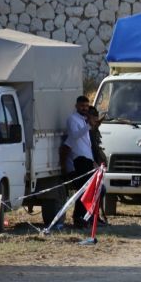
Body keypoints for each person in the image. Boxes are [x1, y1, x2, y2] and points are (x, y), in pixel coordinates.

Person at [64, 96, 100, 228]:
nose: (84, 108)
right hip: (79, 159)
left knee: (89, 190)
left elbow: (87, 143)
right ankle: (78, 217)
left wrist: (93, 160)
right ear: (76, 106)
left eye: (86, 106)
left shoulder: (85, 119)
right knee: (82, 190)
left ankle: (86, 217)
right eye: (82, 106)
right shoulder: (72, 119)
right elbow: (74, 135)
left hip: (87, 159)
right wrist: (88, 126)